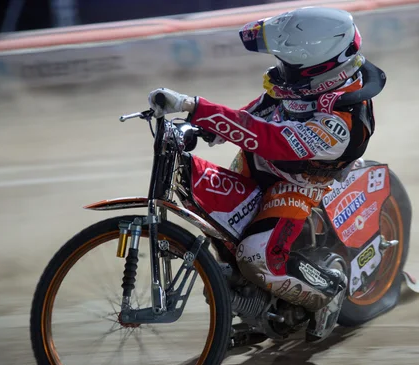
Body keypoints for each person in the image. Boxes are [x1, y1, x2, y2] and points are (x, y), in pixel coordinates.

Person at [148, 6, 386, 342]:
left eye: (290, 61)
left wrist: (196, 107)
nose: (281, 67)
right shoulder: (307, 84)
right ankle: (257, 301)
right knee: (217, 223)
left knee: (256, 256)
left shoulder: (341, 120)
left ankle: (327, 291)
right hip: (258, 163)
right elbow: (264, 109)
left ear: (316, 65)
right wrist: (206, 129)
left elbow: (270, 138)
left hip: (300, 182)